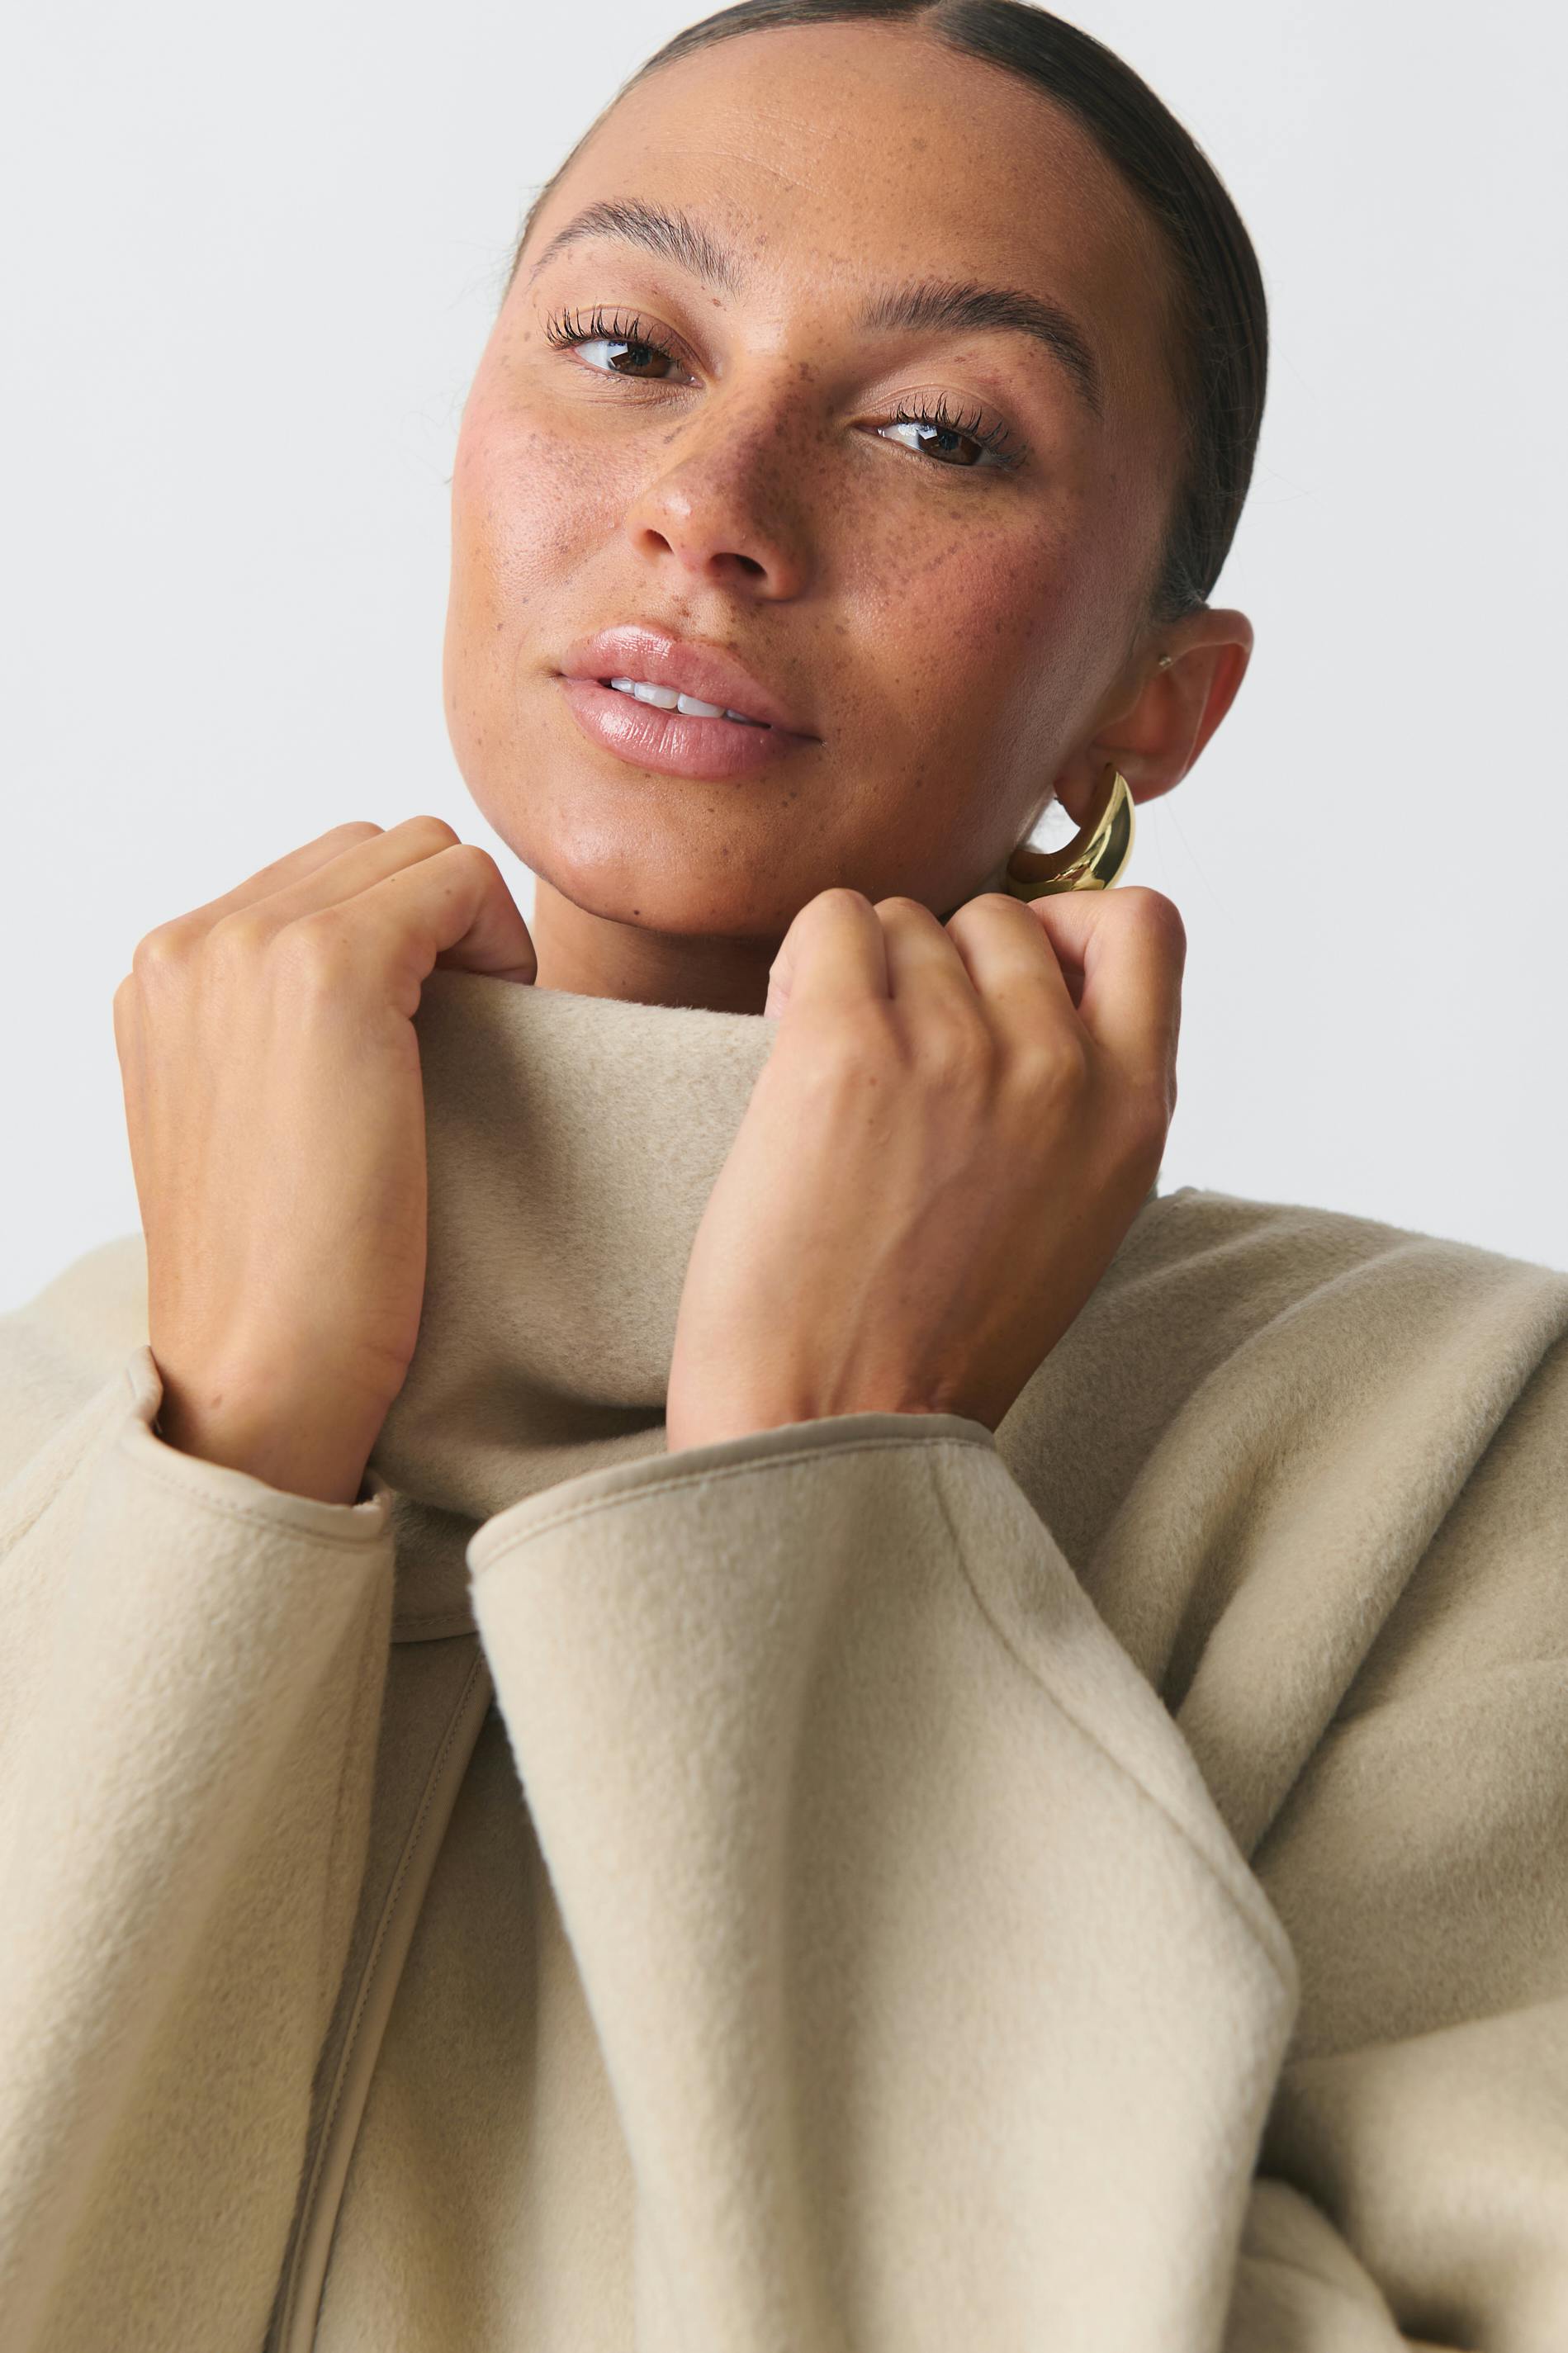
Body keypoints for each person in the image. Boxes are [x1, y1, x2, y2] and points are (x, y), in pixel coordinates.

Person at [2, 2, 1564, 2346]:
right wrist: (229, 1443)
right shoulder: (75, 1390)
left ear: (1153, 705)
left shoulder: (1447, 1457)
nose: (711, 506)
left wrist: (822, 1498)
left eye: (938, 431)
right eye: (627, 347)